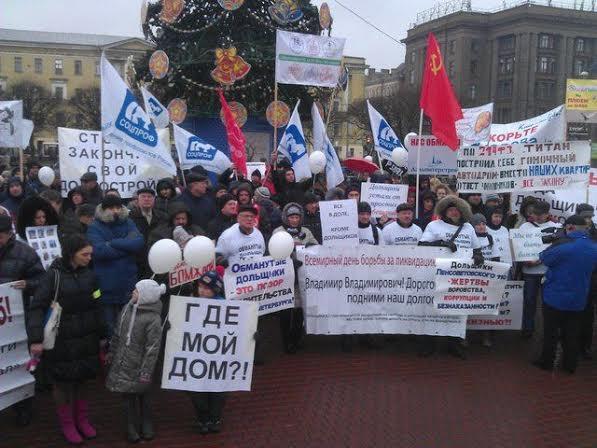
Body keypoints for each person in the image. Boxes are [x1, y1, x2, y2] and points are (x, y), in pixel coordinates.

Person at [27, 234, 107, 444]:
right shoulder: (52, 277)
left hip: (86, 337)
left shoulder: (91, 276)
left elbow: (98, 303)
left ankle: (82, 419)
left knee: (83, 380)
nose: (89, 258)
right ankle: (67, 423)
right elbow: (37, 308)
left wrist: (103, 333)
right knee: (62, 384)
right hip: (61, 340)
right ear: (72, 254)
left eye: (90, 254)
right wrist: (35, 339)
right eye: (85, 254)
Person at [418, 196, 483, 359]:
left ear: (463, 212)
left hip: (460, 277)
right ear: (445, 211)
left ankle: (454, 344)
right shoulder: (434, 225)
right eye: (451, 209)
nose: (454, 212)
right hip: (436, 274)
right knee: (433, 309)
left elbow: (477, 249)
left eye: (457, 210)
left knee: (457, 310)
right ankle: (428, 343)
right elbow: (422, 246)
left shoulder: (468, 228)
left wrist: (478, 256)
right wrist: (440, 243)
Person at [533, 215, 597, 373]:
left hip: (555, 296)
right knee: (572, 333)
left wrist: (556, 242)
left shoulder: (564, 245)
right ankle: (570, 365)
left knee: (551, 332)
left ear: (570, 227)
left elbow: (545, 258)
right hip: (579, 297)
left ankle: (546, 361)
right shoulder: (593, 247)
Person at [106, 279, 166, 443]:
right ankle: (130, 426)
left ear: (145, 296)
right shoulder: (127, 309)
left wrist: (146, 371)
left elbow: (152, 348)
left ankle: (146, 423)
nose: (133, 292)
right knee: (127, 398)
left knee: (145, 396)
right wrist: (112, 351)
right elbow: (118, 333)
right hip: (124, 362)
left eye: (137, 291)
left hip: (140, 365)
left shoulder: (153, 319)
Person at [0, 214, 45, 426]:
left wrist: (27, 284)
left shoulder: (25, 252)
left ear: (9, 234)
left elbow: (42, 281)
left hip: (18, 320)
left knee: (18, 365)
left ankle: (23, 407)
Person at [87, 196, 144, 336]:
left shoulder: (128, 222)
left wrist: (112, 243)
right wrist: (126, 246)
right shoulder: (95, 227)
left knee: (128, 329)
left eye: (118, 207)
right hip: (106, 287)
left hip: (128, 286)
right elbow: (100, 251)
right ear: (104, 209)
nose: (116, 211)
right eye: (112, 208)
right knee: (110, 329)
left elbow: (138, 242)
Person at [273, 203, 318, 354]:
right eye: (291, 217)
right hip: (285, 279)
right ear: (286, 217)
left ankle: (297, 339)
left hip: (302, 277)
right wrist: (289, 261)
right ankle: (286, 342)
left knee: (299, 310)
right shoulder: (278, 232)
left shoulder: (306, 231)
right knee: (286, 311)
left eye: (297, 217)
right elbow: (273, 253)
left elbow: (317, 249)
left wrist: (311, 246)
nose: (294, 220)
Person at [187, 271, 227, 434]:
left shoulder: (226, 308)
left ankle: (214, 418)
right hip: (197, 357)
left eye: (207, 288)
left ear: (216, 290)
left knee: (217, 390)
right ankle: (203, 418)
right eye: (200, 287)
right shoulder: (192, 305)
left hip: (217, 358)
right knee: (197, 389)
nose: (202, 291)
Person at [518, 200, 561, 338]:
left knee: (548, 303)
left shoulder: (557, 227)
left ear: (547, 214)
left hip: (547, 271)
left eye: (540, 214)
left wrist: (541, 260)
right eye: (535, 213)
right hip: (529, 271)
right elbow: (518, 247)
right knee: (529, 301)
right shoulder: (524, 226)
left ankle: (549, 330)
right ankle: (527, 328)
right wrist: (523, 259)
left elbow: (558, 250)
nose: (536, 217)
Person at [129, 188, 167, 279]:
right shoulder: (130, 218)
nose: (146, 199)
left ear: (154, 199)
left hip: (158, 259)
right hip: (138, 262)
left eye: (149, 197)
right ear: (138, 200)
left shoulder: (163, 217)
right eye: (143, 197)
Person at [575, 203, 597, 359]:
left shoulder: (595, 232)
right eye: (585, 217)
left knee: (589, 313)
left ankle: (585, 345)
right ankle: (572, 343)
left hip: (593, 277)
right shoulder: (571, 230)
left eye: (590, 217)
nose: (588, 220)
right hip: (576, 276)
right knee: (576, 312)